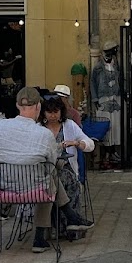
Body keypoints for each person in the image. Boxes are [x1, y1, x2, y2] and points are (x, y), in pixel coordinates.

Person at [0, 86, 71, 254]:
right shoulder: (44, 134)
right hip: (36, 191)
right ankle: (44, 233)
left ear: (17, 105)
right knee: (51, 174)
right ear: (38, 106)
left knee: (48, 175)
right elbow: (51, 164)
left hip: (2, 191)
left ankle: (53, 228)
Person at [40, 94, 94, 233]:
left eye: (56, 112)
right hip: (43, 169)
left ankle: (68, 224)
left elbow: (89, 144)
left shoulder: (69, 125)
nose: (52, 116)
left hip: (65, 166)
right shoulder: (38, 128)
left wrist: (76, 143)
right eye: (49, 112)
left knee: (69, 180)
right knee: (54, 182)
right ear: (43, 113)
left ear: (61, 112)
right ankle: (69, 221)